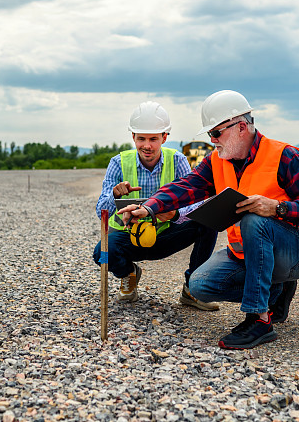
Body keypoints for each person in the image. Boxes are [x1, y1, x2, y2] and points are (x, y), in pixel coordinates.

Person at [119, 90, 299, 349]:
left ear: (241, 127)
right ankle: (277, 292)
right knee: (199, 286)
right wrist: (150, 208)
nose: (212, 141)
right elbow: (186, 187)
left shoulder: (285, 157)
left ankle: (258, 319)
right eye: (210, 134)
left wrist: (277, 208)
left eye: (216, 133)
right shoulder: (217, 161)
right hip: (249, 255)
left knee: (255, 219)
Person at [92, 101, 219, 311]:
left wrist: (174, 214)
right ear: (133, 137)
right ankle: (128, 274)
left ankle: (191, 290)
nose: (147, 145)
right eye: (141, 138)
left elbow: (194, 204)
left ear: (164, 137)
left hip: (167, 234)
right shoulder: (118, 163)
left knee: (208, 220)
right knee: (101, 253)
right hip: (131, 236)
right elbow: (101, 212)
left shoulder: (177, 160)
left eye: (153, 139)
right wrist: (114, 195)